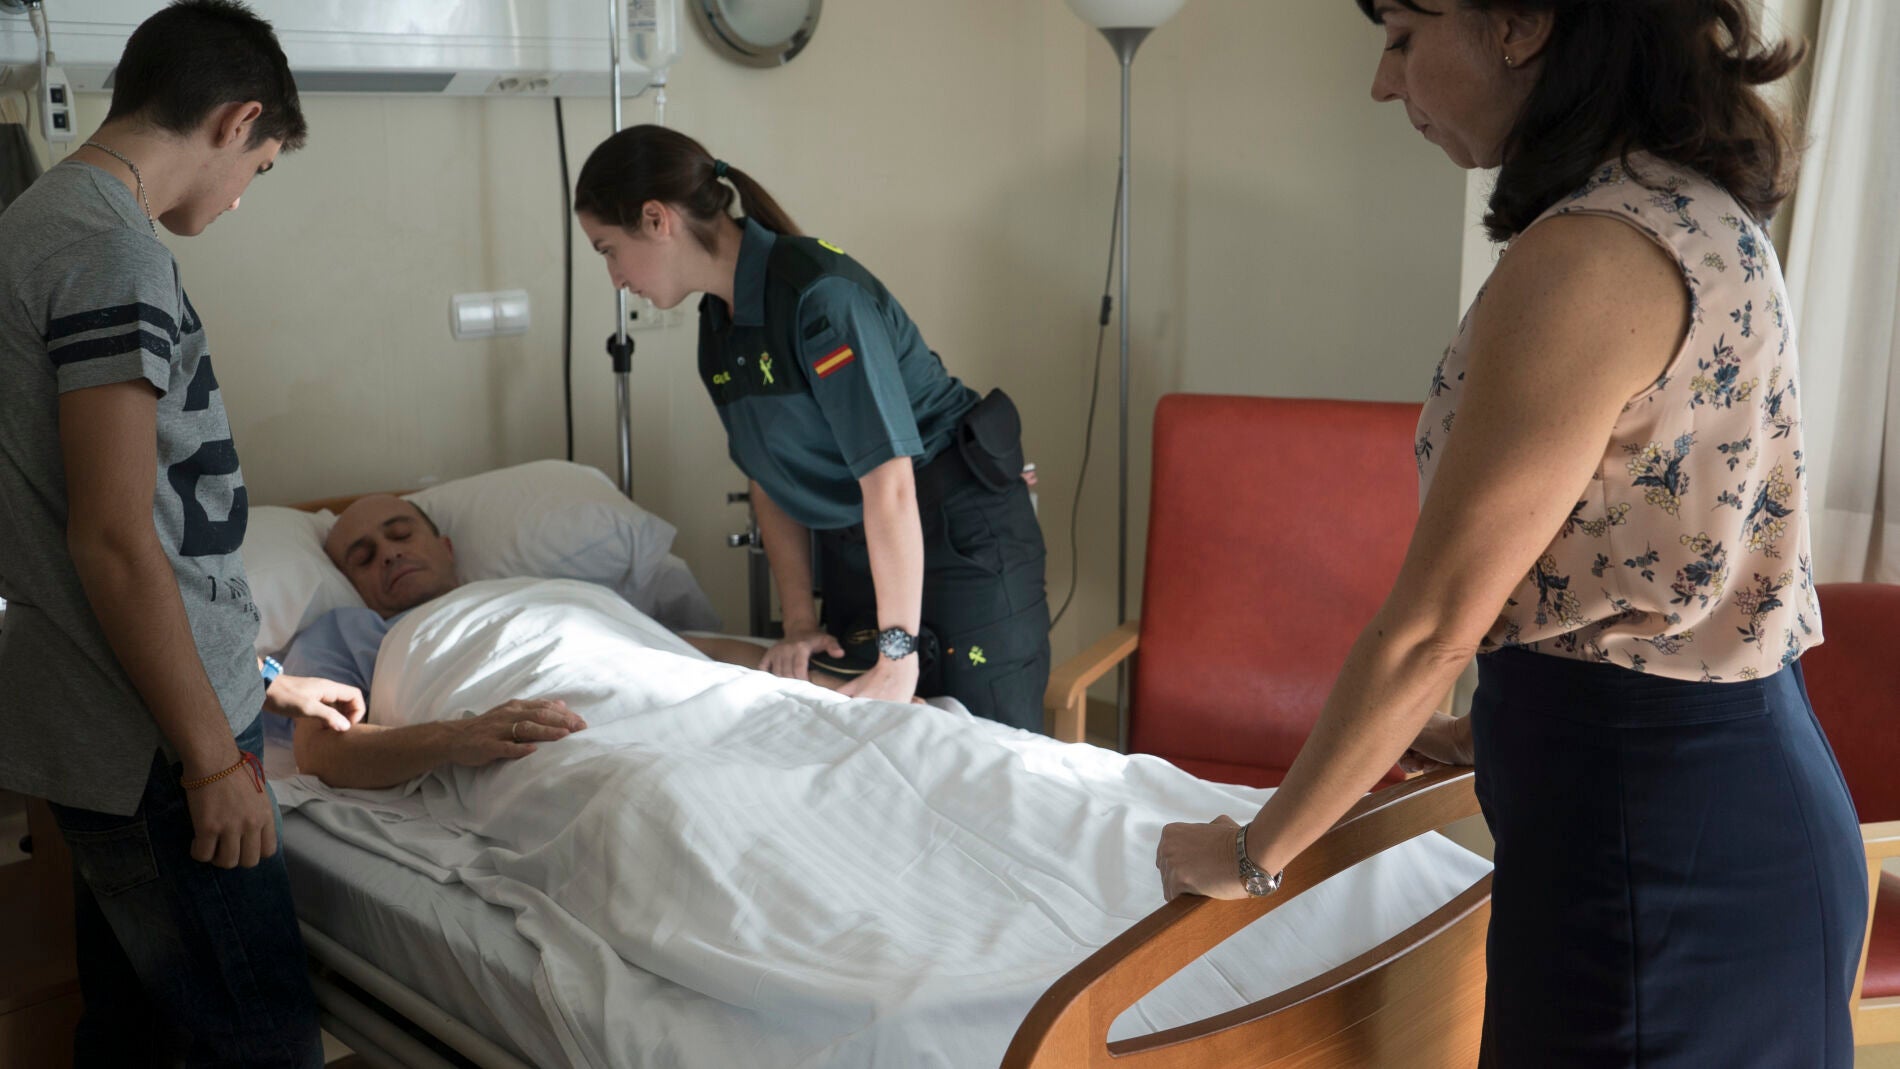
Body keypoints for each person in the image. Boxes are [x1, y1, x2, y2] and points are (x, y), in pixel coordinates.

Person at [1152, 2, 1866, 1066]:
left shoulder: (1590, 254)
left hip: (1655, 853)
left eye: (1399, 35)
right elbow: (1647, 560)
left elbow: (1431, 625)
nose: (1382, 84)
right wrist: (1500, 721)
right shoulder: (1692, 212)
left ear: (1523, 25)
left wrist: (1256, 852)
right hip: (1728, 804)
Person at [0, 2, 344, 1064]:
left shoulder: (32, 221)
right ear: (236, 119)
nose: (241, 196)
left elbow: (124, 514)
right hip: (154, 740)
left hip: (109, 722)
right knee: (258, 1040)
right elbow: (110, 535)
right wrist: (208, 756)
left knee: (138, 1031)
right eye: (261, 165)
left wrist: (258, 679)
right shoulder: (111, 253)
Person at [572, 126, 1049, 727]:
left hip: (959, 539)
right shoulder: (717, 330)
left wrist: (896, 657)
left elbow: (891, 481)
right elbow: (770, 480)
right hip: (862, 551)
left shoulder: (817, 298)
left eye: (607, 248)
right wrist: (798, 622)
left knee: (988, 750)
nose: (614, 276)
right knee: (873, 745)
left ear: (656, 219)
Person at [284, 493, 875, 789]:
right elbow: (321, 750)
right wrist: (456, 736)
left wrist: (836, 691)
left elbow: (676, 648)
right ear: (350, 584)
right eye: (363, 558)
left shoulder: (547, 588)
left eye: (400, 533)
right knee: (659, 791)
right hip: (562, 727)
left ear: (446, 549)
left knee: (870, 751)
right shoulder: (348, 632)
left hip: (676, 690)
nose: (388, 552)